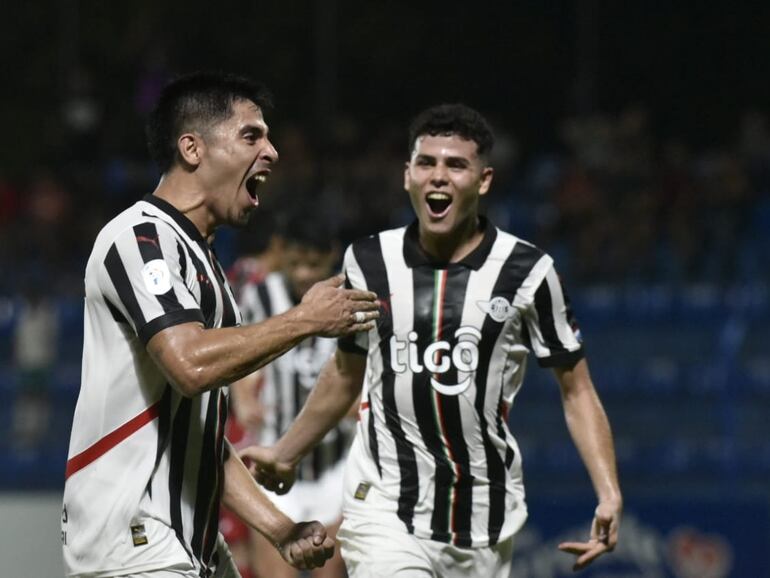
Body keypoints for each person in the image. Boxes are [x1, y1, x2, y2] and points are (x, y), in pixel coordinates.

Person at [240, 104, 623, 577]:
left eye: (456, 165)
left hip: (482, 517)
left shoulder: (528, 273)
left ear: (483, 181)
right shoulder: (369, 260)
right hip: (383, 505)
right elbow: (345, 374)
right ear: (407, 176)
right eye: (427, 163)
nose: (438, 176)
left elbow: (577, 389)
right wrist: (285, 452)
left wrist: (608, 491)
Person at [60, 71, 379, 578]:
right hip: (134, 535)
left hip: (191, 543)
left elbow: (202, 437)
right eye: (252, 135)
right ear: (192, 148)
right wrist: (304, 319)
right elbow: (189, 365)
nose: (271, 151)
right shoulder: (140, 238)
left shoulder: (205, 267)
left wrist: (281, 529)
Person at [229, 214, 352, 578]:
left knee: (328, 572)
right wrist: (243, 397)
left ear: (331, 256)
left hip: (335, 467)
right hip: (273, 462)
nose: (302, 274)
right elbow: (244, 355)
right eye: (295, 262)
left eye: (312, 264)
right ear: (282, 254)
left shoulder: (350, 300)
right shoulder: (261, 296)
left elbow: (363, 369)